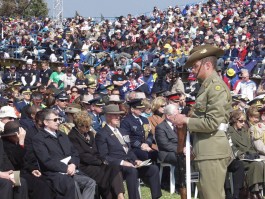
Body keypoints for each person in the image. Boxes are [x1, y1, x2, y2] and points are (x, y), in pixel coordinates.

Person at [173, 45, 232, 199]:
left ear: (207, 65)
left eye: (195, 66)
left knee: (212, 196)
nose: (193, 70)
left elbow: (212, 122)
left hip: (212, 150)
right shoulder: (206, 87)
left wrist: (185, 119)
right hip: (204, 149)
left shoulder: (216, 88)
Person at [95, 104, 162, 199]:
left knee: (153, 169)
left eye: (119, 115)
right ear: (107, 116)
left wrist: (136, 160)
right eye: (115, 115)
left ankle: (156, 197)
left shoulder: (122, 131)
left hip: (130, 163)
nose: (118, 117)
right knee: (132, 171)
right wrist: (123, 162)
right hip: (116, 167)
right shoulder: (102, 134)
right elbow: (104, 156)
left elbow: (129, 150)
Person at [32, 109, 96, 199]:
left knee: (90, 182)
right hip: (53, 174)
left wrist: (73, 164)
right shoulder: (39, 139)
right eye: (55, 120)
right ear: (46, 122)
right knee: (72, 185)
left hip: (71, 170)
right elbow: (46, 161)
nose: (58, 122)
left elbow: (75, 153)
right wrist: (66, 168)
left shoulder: (62, 135)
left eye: (59, 119)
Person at [68, 111, 125, 199]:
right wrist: (99, 162)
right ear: (79, 125)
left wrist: (101, 161)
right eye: (86, 126)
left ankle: (120, 195)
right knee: (105, 177)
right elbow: (82, 155)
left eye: (89, 125)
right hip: (85, 166)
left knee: (114, 167)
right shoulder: (72, 136)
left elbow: (96, 150)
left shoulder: (90, 134)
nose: (88, 128)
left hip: (97, 162)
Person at [227, 110, 265, 199]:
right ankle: (253, 192)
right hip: (237, 159)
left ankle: (257, 191)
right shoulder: (229, 131)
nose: (243, 123)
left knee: (260, 163)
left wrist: (253, 154)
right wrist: (243, 155)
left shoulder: (244, 131)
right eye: (240, 121)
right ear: (234, 120)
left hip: (248, 158)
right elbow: (231, 147)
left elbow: (250, 146)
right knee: (256, 165)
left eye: (244, 121)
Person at [155, 104, 187, 199]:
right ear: (168, 116)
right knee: (179, 158)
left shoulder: (180, 125)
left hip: (180, 151)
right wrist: (180, 149)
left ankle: (192, 183)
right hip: (167, 153)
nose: (178, 117)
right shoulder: (160, 127)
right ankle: (180, 185)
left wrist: (186, 147)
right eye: (176, 115)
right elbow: (164, 144)